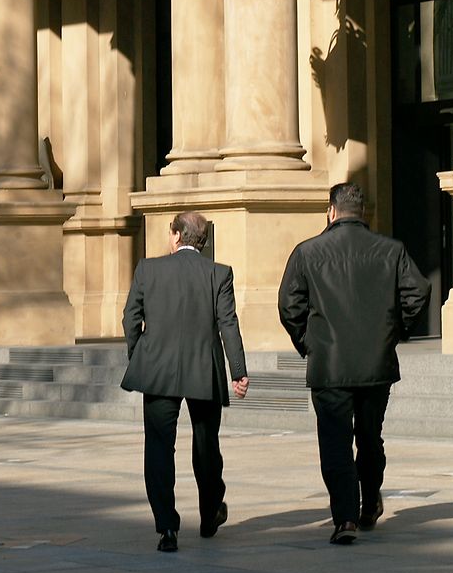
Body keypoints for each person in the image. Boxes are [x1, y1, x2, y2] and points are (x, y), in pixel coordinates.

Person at [278, 182, 430, 546]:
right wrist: (396, 331)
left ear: (331, 211)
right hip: (375, 363)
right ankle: (369, 502)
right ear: (362, 212)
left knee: (335, 442)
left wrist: (308, 342)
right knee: (370, 437)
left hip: (329, 364)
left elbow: (289, 305)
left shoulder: (307, 251)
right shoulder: (391, 249)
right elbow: (418, 291)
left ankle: (345, 517)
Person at [121, 211, 249, 553]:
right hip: (203, 369)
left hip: (158, 370)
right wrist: (238, 370)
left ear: (177, 235)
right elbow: (228, 323)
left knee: (159, 447)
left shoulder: (148, 269)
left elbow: (131, 317)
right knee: (207, 444)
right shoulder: (219, 273)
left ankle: (167, 527)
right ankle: (210, 513)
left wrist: (138, 354)